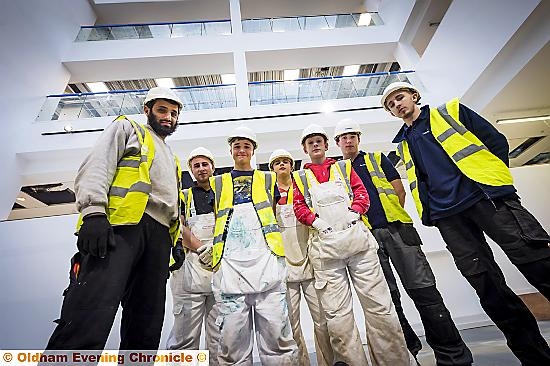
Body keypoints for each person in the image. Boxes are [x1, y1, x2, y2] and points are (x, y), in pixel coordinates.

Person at [382, 81, 550, 365]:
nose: (397, 105)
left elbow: (495, 141)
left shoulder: (451, 112)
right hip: (449, 218)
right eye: (391, 105)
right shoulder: (404, 143)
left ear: (413, 95)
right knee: (488, 288)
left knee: (536, 261)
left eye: (399, 98)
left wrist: (490, 180)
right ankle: (536, 358)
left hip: (486, 200)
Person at [45, 87, 185, 351]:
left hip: (159, 238)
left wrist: (175, 242)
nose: (168, 117)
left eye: (174, 113)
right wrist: (94, 213)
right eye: (162, 110)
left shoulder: (173, 157)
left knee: (147, 321)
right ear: (147, 111)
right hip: (120, 228)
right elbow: (98, 165)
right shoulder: (127, 128)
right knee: (91, 310)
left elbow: (173, 204)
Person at [334, 119, 473, 365]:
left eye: (352, 136)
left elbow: (399, 190)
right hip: (366, 240)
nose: (348, 140)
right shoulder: (338, 171)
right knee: (388, 300)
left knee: (424, 291)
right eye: (343, 137)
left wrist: (388, 219)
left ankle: (452, 356)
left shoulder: (377, 159)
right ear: (337, 143)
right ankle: (409, 354)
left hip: (398, 231)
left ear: (358, 138)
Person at [293, 124, 415, 366]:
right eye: (310, 142)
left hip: (359, 246)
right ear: (305, 149)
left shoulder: (343, 167)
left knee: (380, 307)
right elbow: (299, 207)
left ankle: (396, 361)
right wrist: (315, 222)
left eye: (319, 141)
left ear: (327, 145)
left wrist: (355, 212)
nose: (315, 145)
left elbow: (362, 194)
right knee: (338, 316)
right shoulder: (300, 177)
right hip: (326, 251)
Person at [205, 126, 297, 365]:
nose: (242, 150)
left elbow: (275, 212)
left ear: (254, 150)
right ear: (231, 151)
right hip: (229, 266)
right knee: (232, 340)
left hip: (267, 262)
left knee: (277, 335)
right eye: (237, 146)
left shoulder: (268, 178)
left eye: (247, 146)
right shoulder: (218, 182)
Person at [269, 149, 334, 366]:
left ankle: (329, 362)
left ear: (291, 165)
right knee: (291, 324)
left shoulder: (302, 188)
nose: (282, 165)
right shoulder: (269, 194)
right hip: (284, 268)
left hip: (310, 263)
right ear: (272, 168)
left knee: (322, 321)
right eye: (277, 162)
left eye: (285, 161)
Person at [166, 147, 219, 365]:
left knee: (221, 338)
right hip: (189, 275)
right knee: (184, 338)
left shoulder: (223, 194)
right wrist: (202, 248)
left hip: (219, 275)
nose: (201, 169)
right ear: (191, 170)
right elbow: (178, 226)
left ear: (213, 167)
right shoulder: (183, 197)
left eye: (204, 164)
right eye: (196, 165)